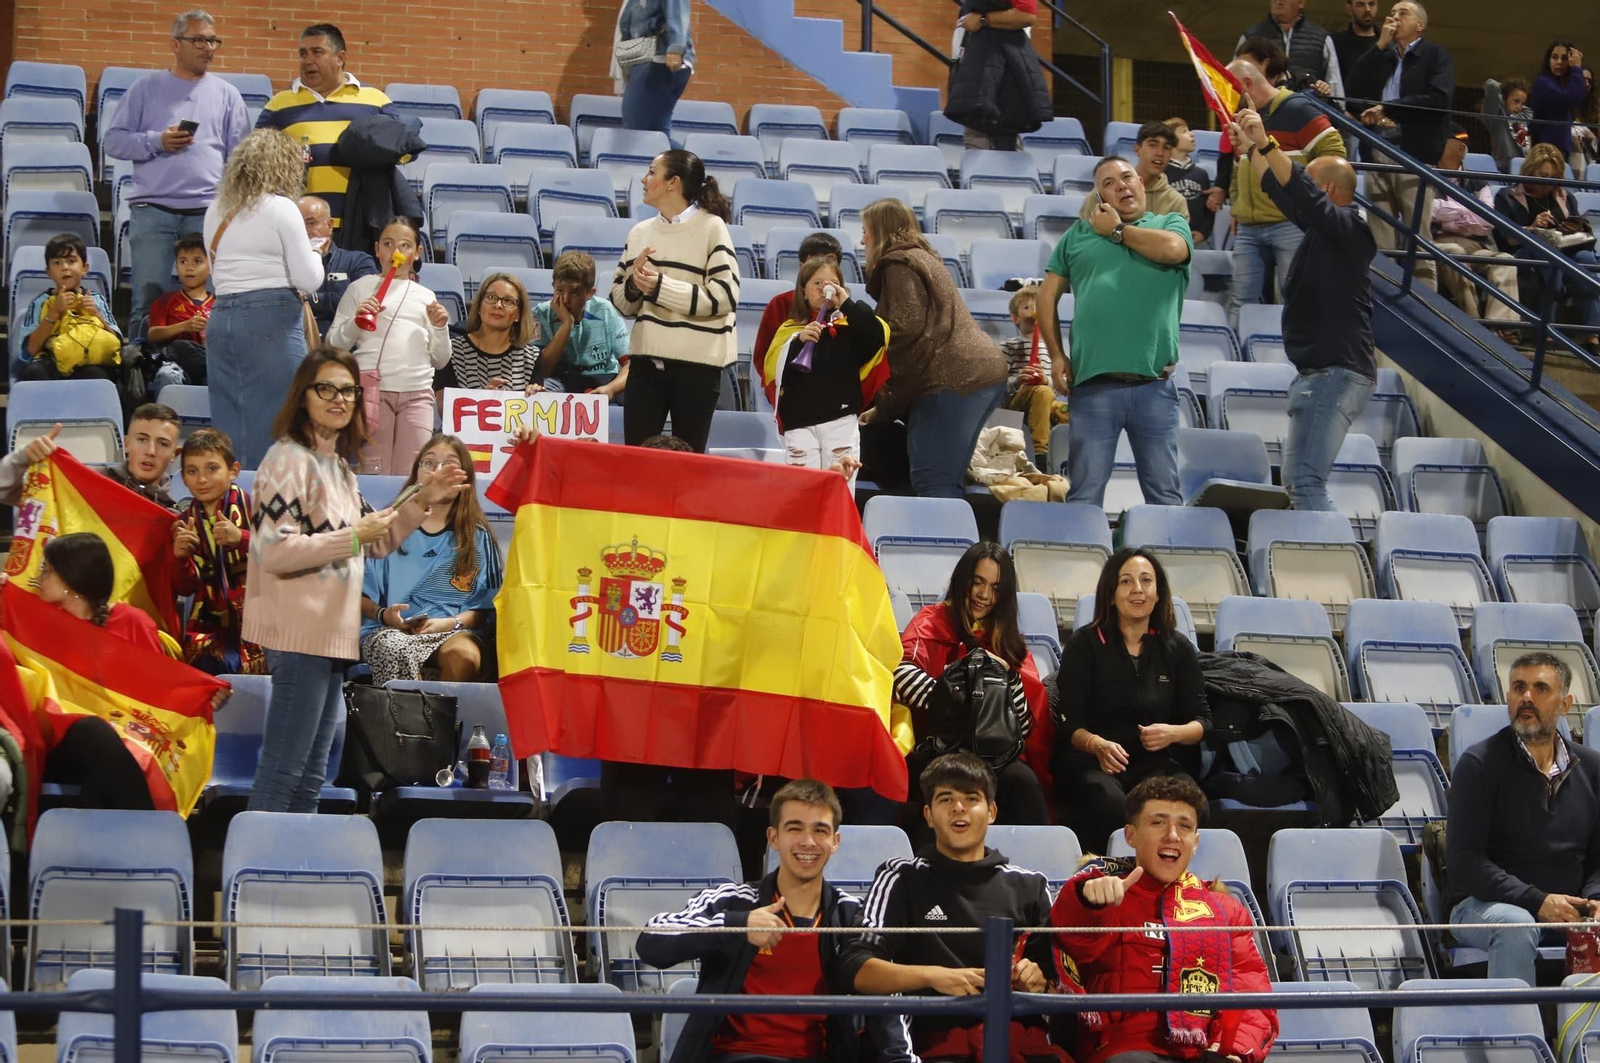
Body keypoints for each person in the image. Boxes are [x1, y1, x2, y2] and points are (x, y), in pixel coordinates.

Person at [241, 347, 466, 813]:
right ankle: (260, 872)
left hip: (330, 634)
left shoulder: (339, 469)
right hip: (297, 631)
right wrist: (351, 538)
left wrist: (424, 497)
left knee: (311, 773)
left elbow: (376, 541)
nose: (339, 399)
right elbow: (273, 550)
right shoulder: (286, 460)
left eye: (348, 390)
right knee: (285, 768)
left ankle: (292, 869)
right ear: (303, 396)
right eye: (327, 388)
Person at [838, 752, 1062, 1063]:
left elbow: (1064, 989)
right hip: (930, 1046)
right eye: (946, 799)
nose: (959, 808)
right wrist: (933, 977)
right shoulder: (901, 877)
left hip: (1016, 1044)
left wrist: (1040, 983)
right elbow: (855, 966)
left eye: (972, 798)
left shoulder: (1031, 886)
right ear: (928, 815)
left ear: (992, 811)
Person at [636, 779, 880, 1063]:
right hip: (734, 1056)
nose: (808, 842)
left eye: (820, 830)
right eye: (795, 828)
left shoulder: (851, 914)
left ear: (835, 842)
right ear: (773, 837)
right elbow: (650, 940)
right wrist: (736, 926)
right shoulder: (732, 900)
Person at [1051, 774, 1279, 1063]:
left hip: (1204, 1054)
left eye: (1184, 826)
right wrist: (1088, 902)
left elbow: (1252, 995)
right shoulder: (1101, 892)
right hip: (1121, 1053)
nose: (1172, 835)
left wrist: (1230, 1052)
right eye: (1158, 822)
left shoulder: (1223, 910)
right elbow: (1072, 940)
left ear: (1195, 842)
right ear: (1130, 835)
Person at [1228, 106, 1376, 513]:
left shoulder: (1351, 227)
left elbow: (1302, 195)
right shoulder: (1322, 231)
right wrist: (1249, 152)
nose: (1301, 188)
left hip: (1336, 371)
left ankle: (1333, 560)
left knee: (1306, 483)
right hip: (1324, 371)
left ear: (1327, 190)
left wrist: (1267, 143)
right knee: (1299, 483)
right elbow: (1283, 190)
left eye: (1310, 182)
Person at [1036, 157, 1192, 510]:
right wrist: (1058, 355)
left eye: (1126, 177)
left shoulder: (1170, 223)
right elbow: (1047, 296)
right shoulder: (1077, 235)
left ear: (1141, 182)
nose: (1121, 185)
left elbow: (1174, 250)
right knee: (1084, 495)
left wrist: (1117, 231)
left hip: (1154, 387)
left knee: (1165, 497)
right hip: (1093, 387)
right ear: (1099, 196)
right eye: (1109, 182)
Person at [1447, 652, 1600, 986]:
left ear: (1566, 704)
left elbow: (1597, 862)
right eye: (1519, 688)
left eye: (1540, 688)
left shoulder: (1592, 768)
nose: (1527, 698)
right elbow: (1465, 862)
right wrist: (1538, 901)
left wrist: (1595, 901)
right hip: (1484, 905)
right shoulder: (1479, 764)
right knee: (1516, 924)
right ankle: (1512, 1035)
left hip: (1568, 909)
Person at [102, 9, 249, 344]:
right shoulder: (145, 88)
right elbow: (114, 141)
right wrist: (157, 141)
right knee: (146, 302)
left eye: (213, 41)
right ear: (175, 44)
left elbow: (240, 157)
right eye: (199, 39)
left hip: (208, 212)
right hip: (153, 210)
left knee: (211, 303)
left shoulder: (228, 95)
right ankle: (139, 377)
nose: (208, 47)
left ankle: (207, 375)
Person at [1051, 549, 1210, 852]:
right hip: (1095, 762)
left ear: (1158, 592)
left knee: (1191, 805)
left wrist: (1173, 733)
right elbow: (1069, 724)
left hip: (1156, 763)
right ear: (1111, 594)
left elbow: (1203, 720)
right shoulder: (1085, 644)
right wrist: (1097, 744)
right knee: (1112, 806)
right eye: (1126, 581)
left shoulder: (1178, 648)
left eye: (1146, 580)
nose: (1137, 589)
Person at [894, 543, 1053, 843]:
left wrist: (1006, 678)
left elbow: (1026, 722)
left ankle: (1037, 877)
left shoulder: (1006, 640)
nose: (984, 595)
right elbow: (901, 677)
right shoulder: (932, 621)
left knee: (1023, 784)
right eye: (977, 582)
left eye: (995, 587)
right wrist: (960, 698)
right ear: (962, 580)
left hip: (996, 754)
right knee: (946, 782)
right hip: (940, 748)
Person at [859, 198, 1007, 499]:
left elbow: (905, 331)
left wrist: (865, 348)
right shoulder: (923, 258)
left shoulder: (898, 264)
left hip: (952, 379)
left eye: (866, 232)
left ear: (881, 231)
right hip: (975, 376)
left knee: (932, 482)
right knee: (945, 480)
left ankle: (947, 546)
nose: (862, 240)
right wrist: (884, 409)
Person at [204, 129, 325, 470]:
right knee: (282, 425)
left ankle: (232, 509)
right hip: (270, 319)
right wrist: (317, 253)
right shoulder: (281, 208)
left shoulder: (216, 208)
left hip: (222, 318)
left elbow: (215, 270)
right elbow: (308, 279)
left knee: (230, 427)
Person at [610, 149, 739, 452]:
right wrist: (634, 285)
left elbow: (725, 295)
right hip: (645, 366)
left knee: (689, 467)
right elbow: (620, 302)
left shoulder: (712, 227)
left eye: (652, 172)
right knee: (637, 461)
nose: (644, 179)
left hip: (697, 369)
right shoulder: (639, 232)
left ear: (673, 183)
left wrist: (659, 288)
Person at [359, 434, 503, 686]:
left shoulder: (477, 537)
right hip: (389, 630)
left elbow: (485, 609)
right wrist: (385, 615)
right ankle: (407, 723)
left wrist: (451, 623)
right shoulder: (388, 527)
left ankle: (441, 725)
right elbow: (358, 595)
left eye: (449, 464)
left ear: (464, 478)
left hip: (454, 630)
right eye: (429, 463)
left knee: (464, 656)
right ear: (416, 474)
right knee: (394, 647)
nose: (438, 472)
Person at [35, 533, 166, 810]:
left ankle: (114, 848)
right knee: (93, 731)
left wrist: (205, 695)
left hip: (123, 739)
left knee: (101, 769)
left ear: (72, 578)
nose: (39, 578)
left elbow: (163, 688)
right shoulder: (36, 624)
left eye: (47, 570)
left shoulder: (132, 622)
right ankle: (152, 838)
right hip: (56, 742)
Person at [1221, 58, 1346, 328]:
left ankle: (1295, 366)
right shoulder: (1244, 116)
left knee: (1297, 299)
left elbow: (1335, 155)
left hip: (1290, 223)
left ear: (1247, 84)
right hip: (1248, 227)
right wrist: (1237, 204)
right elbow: (1238, 165)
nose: (1226, 98)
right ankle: (1237, 367)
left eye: (1230, 90)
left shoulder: (1298, 108)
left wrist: (1310, 202)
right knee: (1239, 301)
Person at [326, 216, 452, 474]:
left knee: (414, 472)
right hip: (372, 391)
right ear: (376, 249)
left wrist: (440, 327)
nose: (396, 251)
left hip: (417, 394)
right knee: (372, 468)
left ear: (417, 253)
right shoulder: (359, 288)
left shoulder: (426, 296)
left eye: (405, 245)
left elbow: (440, 360)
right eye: (388, 243)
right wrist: (356, 322)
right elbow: (333, 344)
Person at [1349, 0, 1454, 290]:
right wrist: (1379, 46)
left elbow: (1439, 100)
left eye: (1402, 13)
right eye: (1391, 13)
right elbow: (1353, 88)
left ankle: (1424, 306)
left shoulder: (1435, 55)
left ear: (1419, 25)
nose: (1393, 18)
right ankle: (1384, 300)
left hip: (1413, 152)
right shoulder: (1382, 55)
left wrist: (1388, 109)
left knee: (1416, 235)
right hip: (1375, 147)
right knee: (1379, 233)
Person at [256, 23, 398, 231]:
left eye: (317, 52)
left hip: (361, 225)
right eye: (303, 53)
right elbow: (255, 160)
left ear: (340, 58)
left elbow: (403, 153)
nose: (307, 60)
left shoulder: (377, 102)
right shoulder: (278, 105)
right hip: (299, 226)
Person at [759, 257, 887, 487]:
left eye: (832, 283)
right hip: (799, 426)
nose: (825, 289)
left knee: (840, 492)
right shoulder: (789, 331)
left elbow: (877, 337)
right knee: (802, 495)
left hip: (841, 423)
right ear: (804, 291)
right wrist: (798, 341)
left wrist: (846, 304)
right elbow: (775, 375)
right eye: (817, 283)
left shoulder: (853, 324)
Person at [172, 427, 263, 675]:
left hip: (266, 619)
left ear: (233, 470)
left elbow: (287, 554)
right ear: (183, 477)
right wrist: (180, 559)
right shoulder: (183, 524)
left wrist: (243, 539)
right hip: (210, 626)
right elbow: (185, 588)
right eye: (192, 471)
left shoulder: (257, 509)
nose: (202, 479)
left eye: (212, 469)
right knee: (210, 665)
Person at [1493, 145, 1600, 353]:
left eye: (1553, 178)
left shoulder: (1564, 197)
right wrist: (1532, 227)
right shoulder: (1508, 196)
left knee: (1587, 258)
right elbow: (1504, 238)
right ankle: (1547, 333)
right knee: (1549, 258)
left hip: (1565, 250)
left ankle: (1592, 334)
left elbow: (1576, 224)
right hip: (1526, 252)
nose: (1547, 184)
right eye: (1542, 176)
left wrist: (1574, 227)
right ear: (1530, 171)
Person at [1434, 133, 1523, 342]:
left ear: (1460, 150)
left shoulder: (1477, 181)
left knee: (1505, 261)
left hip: (1476, 244)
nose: (1437, 147)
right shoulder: (1426, 175)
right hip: (1438, 242)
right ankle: (1474, 326)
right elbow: (1431, 211)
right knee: (1454, 253)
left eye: (1444, 143)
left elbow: (1486, 222)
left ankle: (1502, 329)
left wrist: (1450, 216)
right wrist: (1467, 211)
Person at [16, 234, 124, 387]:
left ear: (85, 268)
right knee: (33, 372)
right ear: (48, 272)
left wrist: (97, 315)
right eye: (57, 263)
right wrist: (53, 313)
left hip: (88, 362)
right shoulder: (40, 302)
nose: (65, 267)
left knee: (98, 376)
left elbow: (117, 344)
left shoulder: (97, 300)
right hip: (51, 362)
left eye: (71, 261)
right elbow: (31, 350)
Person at [947, 0, 1049, 153]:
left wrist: (983, 19)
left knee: (995, 138)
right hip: (975, 66)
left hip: (997, 72)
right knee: (977, 136)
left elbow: (1026, 15)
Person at [532, 251, 630, 397]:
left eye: (574, 293)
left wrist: (611, 388)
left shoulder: (606, 310)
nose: (565, 300)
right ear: (553, 286)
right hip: (559, 380)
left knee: (639, 387)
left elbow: (630, 365)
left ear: (590, 293)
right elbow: (542, 370)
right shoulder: (539, 314)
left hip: (604, 377)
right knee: (540, 390)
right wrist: (566, 326)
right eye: (559, 290)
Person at [435, 273, 544, 394]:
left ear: (518, 314)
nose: (498, 305)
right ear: (480, 307)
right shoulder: (451, 350)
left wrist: (536, 398)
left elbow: (535, 411)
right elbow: (443, 407)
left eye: (508, 301)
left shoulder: (531, 357)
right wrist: (483, 400)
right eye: (491, 297)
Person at [753, 233, 844, 369]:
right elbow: (765, 357)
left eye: (830, 262)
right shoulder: (780, 304)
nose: (823, 269)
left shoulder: (846, 310)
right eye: (815, 263)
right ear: (802, 267)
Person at [998, 284, 1065, 469]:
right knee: (1043, 392)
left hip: (1046, 400)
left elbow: (1062, 384)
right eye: (1028, 307)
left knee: (1074, 411)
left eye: (1040, 307)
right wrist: (1018, 380)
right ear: (1015, 318)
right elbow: (997, 383)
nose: (1035, 311)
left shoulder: (1055, 350)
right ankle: (1040, 453)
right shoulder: (1009, 346)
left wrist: (1047, 380)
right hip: (1016, 403)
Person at [1081, 121, 1191, 222]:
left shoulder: (1176, 202)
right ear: (1137, 149)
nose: (1160, 153)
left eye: (1166, 147)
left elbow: (1177, 242)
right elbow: (1083, 237)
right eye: (1153, 145)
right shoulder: (1101, 194)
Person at [144, 232, 214, 390]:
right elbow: (153, 334)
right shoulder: (165, 301)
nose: (189, 267)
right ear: (176, 266)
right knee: (166, 375)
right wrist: (184, 326)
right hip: (174, 363)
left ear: (210, 267)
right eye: (183, 261)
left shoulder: (219, 305)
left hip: (209, 365)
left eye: (197, 261)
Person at [300, 195, 377, 336]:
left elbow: (363, 303)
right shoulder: (284, 266)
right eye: (299, 224)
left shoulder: (358, 261)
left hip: (343, 350)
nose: (304, 231)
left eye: (311, 223)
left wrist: (306, 300)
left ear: (330, 225)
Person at [617, 0, 693, 135]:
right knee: (653, 134)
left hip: (659, 58)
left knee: (636, 133)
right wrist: (628, 63)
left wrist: (675, 48)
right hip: (645, 57)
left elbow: (678, 10)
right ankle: (685, 157)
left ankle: (688, 157)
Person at [1238, 0, 1343, 98]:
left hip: (1308, 110)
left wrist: (1325, 90)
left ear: (1301, 2)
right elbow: (1236, 78)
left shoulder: (1321, 37)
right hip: (1261, 111)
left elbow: (1335, 86)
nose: (1278, 1)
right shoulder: (1250, 36)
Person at [1531, 42, 1590, 159]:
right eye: (1554, 57)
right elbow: (1570, 99)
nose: (1558, 62)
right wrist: (1576, 68)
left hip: (1560, 149)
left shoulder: (1564, 85)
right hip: (1545, 151)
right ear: (1548, 61)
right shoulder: (1543, 82)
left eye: (1564, 58)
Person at [1164, 117, 1217, 246]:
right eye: (1184, 131)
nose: (1192, 134)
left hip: (1198, 240)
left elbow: (1209, 210)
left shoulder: (1201, 174)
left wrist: (1203, 233)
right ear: (1170, 140)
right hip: (1170, 238)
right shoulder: (1162, 174)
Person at [1330, 0, 1380, 99]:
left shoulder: (1390, 45)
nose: (1367, 9)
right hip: (1345, 110)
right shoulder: (1335, 42)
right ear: (1349, 9)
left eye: (1372, 4)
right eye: (1360, 5)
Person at [1484, 77, 1534, 172]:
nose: (1519, 107)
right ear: (1504, 98)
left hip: (1522, 168)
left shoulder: (1522, 116)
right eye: (1516, 101)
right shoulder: (1496, 116)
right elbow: (1491, 85)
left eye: (1522, 103)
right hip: (1503, 168)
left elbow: (1529, 112)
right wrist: (1503, 89)